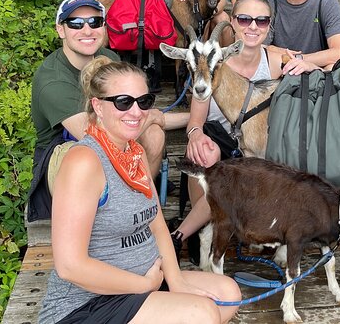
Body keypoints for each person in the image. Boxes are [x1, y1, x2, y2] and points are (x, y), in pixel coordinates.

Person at [37, 57, 240, 323]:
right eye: (123, 102)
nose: (136, 112)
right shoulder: (84, 162)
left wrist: (176, 281)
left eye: (144, 102)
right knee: (200, 314)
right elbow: (69, 266)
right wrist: (143, 284)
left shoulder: (135, 155)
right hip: (88, 304)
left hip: (145, 282)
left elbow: (156, 225)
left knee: (227, 293)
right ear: (98, 106)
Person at [169, 0, 320, 262]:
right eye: (245, 19)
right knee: (212, 160)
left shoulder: (276, 61)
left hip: (257, 150)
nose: (253, 26)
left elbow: (325, 71)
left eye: (261, 21)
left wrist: (309, 64)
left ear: (269, 26)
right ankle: (182, 235)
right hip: (219, 147)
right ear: (233, 22)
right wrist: (195, 136)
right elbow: (196, 120)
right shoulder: (211, 60)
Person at [28, 0, 188, 222]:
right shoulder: (53, 80)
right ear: (60, 30)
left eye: (95, 22)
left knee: (153, 135)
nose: (87, 30)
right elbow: (96, 137)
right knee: (88, 155)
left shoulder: (108, 58)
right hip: (65, 152)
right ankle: (105, 218)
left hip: (109, 132)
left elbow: (131, 110)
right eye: (75, 23)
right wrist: (150, 116)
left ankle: (140, 203)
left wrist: (195, 119)